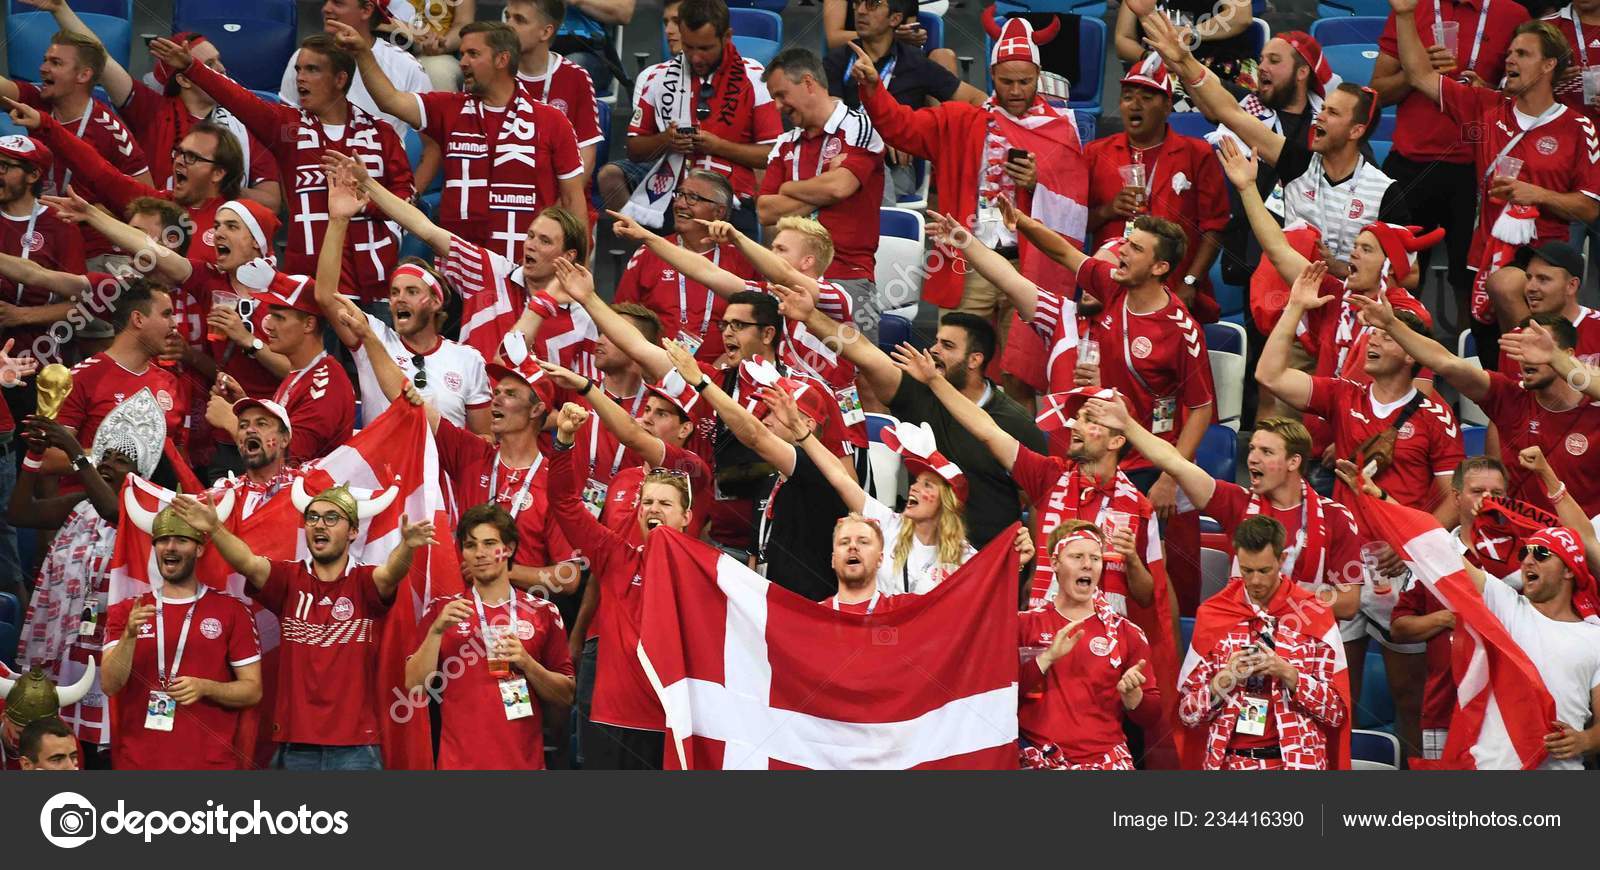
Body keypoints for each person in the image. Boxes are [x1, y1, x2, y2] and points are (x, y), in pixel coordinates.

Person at [927, 209, 1214, 511]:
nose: (1124, 252)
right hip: (1094, 455)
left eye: (1136, 248)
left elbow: (1201, 410)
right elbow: (1061, 252)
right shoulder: (1109, 287)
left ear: (1159, 267)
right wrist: (1016, 225)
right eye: (1127, 243)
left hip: (1147, 462)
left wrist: (1171, 476)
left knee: (1133, 549)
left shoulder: (1182, 330)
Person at [846, 19, 1086, 366]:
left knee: (1021, 374)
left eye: (1025, 81)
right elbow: (901, 126)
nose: (1016, 90)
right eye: (1007, 82)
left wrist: (1039, 182)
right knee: (953, 366)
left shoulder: (1059, 131)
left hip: (1029, 266)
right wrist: (873, 90)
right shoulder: (960, 120)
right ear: (991, 78)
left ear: (1038, 76)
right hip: (969, 263)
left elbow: (1077, 204)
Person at [169, 480, 436, 770]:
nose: (319, 525)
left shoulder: (364, 582)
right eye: (312, 517)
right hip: (294, 748)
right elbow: (246, 561)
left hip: (356, 750)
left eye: (331, 518)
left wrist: (407, 547)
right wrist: (214, 528)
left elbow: (390, 573)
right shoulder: (289, 579)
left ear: (353, 532)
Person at [773, 281, 1047, 550]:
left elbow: (1039, 496)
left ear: (975, 360)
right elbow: (865, 353)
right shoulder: (918, 389)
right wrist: (810, 316)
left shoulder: (1014, 421)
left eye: (948, 346)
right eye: (937, 341)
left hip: (989, 560)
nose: (935, 350)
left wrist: (1035, 568)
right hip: (919, 555)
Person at [1394, 7, 1600, 363]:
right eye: (1508, 54)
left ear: (1549, 65)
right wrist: (1405, 15)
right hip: (1484, 258)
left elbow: (1589, 208)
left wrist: (1536, 194)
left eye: (1522, 54)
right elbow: (1419, 76)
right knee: (1495, 365)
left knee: (1512, 298)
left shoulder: (1579, 128)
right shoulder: (1487, 108)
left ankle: (1543, 365)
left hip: (1544, 265)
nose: (1510, 61)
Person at [150, 34, 414, 309]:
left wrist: (366, 196)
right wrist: (192, 67)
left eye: (312, 69)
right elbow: (239, 99)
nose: (300, 78)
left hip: (375, 291)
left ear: (340, 79)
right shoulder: (288, 129)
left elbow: (407, 201)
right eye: (299, 69)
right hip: (306, 289)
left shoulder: (381, 134)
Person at [1142, 13, 1405, 278]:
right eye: (1323, 109)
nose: (1321, 116)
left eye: (1333, 113)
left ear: (1356, 131)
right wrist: (1185, 60)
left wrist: (1341, 271)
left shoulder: (1384, 191)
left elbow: (1408, 274)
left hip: (1351, 307)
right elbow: (1230, 112)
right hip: (1284, 289)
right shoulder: (1298, 164)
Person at [1085, 398, 1363, 638]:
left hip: (1306, 641)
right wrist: (1128, 425)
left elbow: (1349, 602)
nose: (1252, 459)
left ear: (1294, 462)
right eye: (1252, 449)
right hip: (1241, 638)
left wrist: (1283, 599)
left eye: (1266, 452)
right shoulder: (1236, 502)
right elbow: (1175, 464)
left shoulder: (1334, 517)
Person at [337, 19, 588, 264]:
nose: (463, 63)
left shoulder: (552, 121)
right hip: (458, 271)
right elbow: (390, 101)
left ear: (502, 60)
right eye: (463, 54)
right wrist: (362, 53)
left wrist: (580, 273)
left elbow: (573, 202)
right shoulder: (449, 108)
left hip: (524, 269)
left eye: (473, 54)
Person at [325, 148, 592, 367]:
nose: (531, 245)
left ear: (568, 255)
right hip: (467, 414)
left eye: (544, 241)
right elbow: (425, 229)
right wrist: (368, 183)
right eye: (531, 236)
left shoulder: (583, 319)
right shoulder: (489, 270)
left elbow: (581, 400)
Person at [12, 392, 166, 768]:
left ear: (141, 473)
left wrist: (73, 452)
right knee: (66, 738)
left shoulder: (146, 509)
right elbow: (19, 513)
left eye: (122, 461)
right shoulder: (81, 503)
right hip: (66, 644)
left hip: (112, 647)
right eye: (107, 457)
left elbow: (114, 511)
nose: (110, 465)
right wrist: (34, 457)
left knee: (106, 750)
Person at [1349, 292, 1600, 516]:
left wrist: (1556, 359)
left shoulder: (1594, 408)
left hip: (1586, 548)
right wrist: (1391, 325)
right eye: (1523, 348)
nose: (1528, 358)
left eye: (1539, 347)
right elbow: (1446, 362)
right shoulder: (1509, 396)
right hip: (1520, 549)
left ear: (1567, 355)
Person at [1375, 0, 1531, 353]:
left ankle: (1469, 379)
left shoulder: (1512, 14)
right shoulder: (1412, 8)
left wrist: (1486, 90)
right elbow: (1378, 92)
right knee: (1400, 277)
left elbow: (1523, 93)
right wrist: (1418, 71)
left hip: (1475, 170)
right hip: (1410, 164)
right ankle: (1398, 366)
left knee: (1472, 284)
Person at [1258, 260, 1465, 521]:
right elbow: (1270, 376)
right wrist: (1295, 307)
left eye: (1386, 337)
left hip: (1404, 550)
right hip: (1348, 545)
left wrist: (1417, 538)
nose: (1373, 340)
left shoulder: (1438, 417)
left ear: (1411, 355)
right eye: (1372, 333)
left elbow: (1455, 498)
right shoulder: (1344, 394)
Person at [22, 4, 281, 208]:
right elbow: (101, 58)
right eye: (209, 65)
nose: (222, 70)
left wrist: (217, 187)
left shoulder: (244, 125)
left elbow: (271, 201)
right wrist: (61, 10)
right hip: (161, 234)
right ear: (183, 78)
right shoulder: (152, 110)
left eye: (219, 61)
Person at [548, 401, 690, 770]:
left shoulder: (708, 572)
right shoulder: (615, 555)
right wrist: (564, 442)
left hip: (672, 723)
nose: (653, 509)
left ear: (687, 517)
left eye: (664, 503)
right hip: (612, 720)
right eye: (647, 503)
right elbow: (564, 503)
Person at [659, 336, 850, 599]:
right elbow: (755, 552)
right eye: (766, 410)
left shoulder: (816, 467)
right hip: (770, 605)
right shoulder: (770, 476)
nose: (765, 418)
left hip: (807, 611)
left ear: (807, 424)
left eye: (775, 411)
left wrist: (702, 382)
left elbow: (754, 435)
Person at [313, 174, 492, 433]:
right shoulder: (373, 337)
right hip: (383, 471)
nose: (399, 299)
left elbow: (481, 442)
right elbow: (326, 297)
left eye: (411, 291)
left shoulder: (467, 359)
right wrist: (339, 220)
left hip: (441, 472)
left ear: (435, 303)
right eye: (394, 292)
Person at [409, 504, 575, 770]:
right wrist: (436, 631)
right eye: (471, 545)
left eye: (489, 544)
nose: (480, 553)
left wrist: (527, 663)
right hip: (458, 766)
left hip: (524, 765)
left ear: (508, 549)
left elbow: (566, 694)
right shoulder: (442, 610)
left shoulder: (543, 611)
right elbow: (413, 685)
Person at [1179, 516, 1349, 769]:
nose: (1255, 581)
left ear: (1282, 560)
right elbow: (1187, 715)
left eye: (1264, 570)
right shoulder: (1214, 614)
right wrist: (1224, 680)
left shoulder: (1313, 613)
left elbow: (1336, 714)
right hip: (1231, 764)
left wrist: (1289, 674)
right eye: (1247, 570)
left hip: (1298, 764)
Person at [101, 503, 263, 770]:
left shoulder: (233, 611)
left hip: (209, 767)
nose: (170, 547)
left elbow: (252, 691)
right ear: (154, 548)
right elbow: (110, 684)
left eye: (181, 540)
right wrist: (129, 636)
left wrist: (206, 687)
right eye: (163, 539)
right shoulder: (128, 611)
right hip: (139, 764)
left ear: (200, 548)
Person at [604, 0, 779, 239]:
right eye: (689, 47)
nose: (696, 58)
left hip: (731, 200)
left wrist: (719, 147)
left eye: (705, 48)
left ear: (727, 36)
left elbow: (771, 154)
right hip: (669, 196)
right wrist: (666, 140)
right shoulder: (658, 78)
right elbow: (634, 148)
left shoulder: (755, 77)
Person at [1083, 50, 1228, 321]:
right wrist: (1108, 210)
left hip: (1173, 290)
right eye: (1127, 98)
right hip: (1109, 289)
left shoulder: (1197, 154)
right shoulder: (1095, 153)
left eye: (1146, 98)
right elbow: (1076, 225)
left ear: (1167, 106)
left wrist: (1189, 282)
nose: (1134, 105)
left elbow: (1215, 228)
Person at [19, 101, 243, 276]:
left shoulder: (240, 224)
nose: (180, 161)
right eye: (180, 153)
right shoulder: (157, 204)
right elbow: (100, 171)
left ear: (218, 173)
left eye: (192, 157)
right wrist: (44, 124)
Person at [757, 48, 885, 341]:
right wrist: (825, 185)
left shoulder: (859, 127)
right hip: (788, 277)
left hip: (846, 276)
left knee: (857, 377)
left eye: (781, 94)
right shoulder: (785, 143)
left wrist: (788, 189)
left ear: (808, 83)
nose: (777, 106)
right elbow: (765, 210)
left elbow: (840, 186)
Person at [0, 28, 152, 273]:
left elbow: (148, 206)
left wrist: (91, 212)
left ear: (83, 75)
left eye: (55, 62)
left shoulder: (110, 131)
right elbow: (4, 89)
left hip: (95, 252)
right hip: (38, 239)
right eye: (45, 60)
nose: (43, 68)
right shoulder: (39, 101)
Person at [785, 405, 979, 596]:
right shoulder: (888, 524)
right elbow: (840, 478)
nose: (914, 488)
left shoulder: (967, 558)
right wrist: (801, 432)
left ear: (947, 501)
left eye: (927, 485)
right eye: (916, 482)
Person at [1019, 521, 1161, 770]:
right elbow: (1000, 694)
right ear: (1054, 563)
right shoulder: (1024, 624)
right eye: (1077, 556)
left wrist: (1134, 697)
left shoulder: (1127, 633)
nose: (1087, 564)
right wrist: (1046, 658)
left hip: (1107, 762)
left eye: (1095, 558)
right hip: (1037, 759)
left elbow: (1152, 716)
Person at [823, 0, 984, 204]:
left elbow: (977, 100)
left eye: (872, 5)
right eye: (858, 3)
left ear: (895, 19)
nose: (861, 11)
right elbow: (832, 120)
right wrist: (880, 136)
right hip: (845, 158)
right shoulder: (836, 61)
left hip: (895, 167)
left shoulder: (916, 63)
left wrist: (935, 139)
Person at [24, 281, 185, 476]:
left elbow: (177, 457)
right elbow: (48, 459)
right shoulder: (80, 378)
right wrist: (120, 458)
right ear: (138, 319)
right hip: (89, 503)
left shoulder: (168, 382)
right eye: (166, 314)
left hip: (151, 503)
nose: (174, 324)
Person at [205, 270, 357, 463]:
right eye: (270, 316)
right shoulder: (301, 373)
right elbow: (282, 435)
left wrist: (232, 422)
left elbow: (287, 460)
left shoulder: (325, 384)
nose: (268, 326)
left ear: (309, 324)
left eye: (279, 317)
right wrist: (244, 408)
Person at [612, 169, 756, 367]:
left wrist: (721, 369)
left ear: (719, 212)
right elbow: (621, 318)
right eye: (679, 195)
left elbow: (756, 327)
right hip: (657, 372)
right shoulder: (649, 252)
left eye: (693, 198)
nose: (680, 204)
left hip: (724, 375)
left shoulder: (743, 259)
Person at [278, 0, 434, 137]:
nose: (326, 8)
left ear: (366, 10)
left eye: (338, 2)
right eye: (326, 1)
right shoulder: (301, 58)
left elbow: (431, 146)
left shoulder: (407, 67)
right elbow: (285, 125)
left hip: (381, 167)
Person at [0, 133, 83, 366]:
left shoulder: (60, 226)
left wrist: (21, 316)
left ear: (33, 174)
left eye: (5, 166)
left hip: (37, 358)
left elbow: (82, 307)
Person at [507, 0, 605, 187]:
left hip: (562, 199)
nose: (508, 26)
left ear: (546, 32)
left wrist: (556, 211)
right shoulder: (496, 73)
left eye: (519, 20)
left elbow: (586, 158)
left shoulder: (576, 77)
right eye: (508, 17)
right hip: (508, 195)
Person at [1485, 241, 1600, 376]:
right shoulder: (1516, 340)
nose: (1530, 288)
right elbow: (1512, 395)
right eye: (1529, 278)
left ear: (1571, 286)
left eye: (1543, 279)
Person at [1116, 0, 1260, 102]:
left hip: (1222, 64)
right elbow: (1123, 39)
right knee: (1141, 101)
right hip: (1164, 68)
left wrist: (1192, 34)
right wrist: (1151, 58)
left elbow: (1241, 17)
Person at [386, 0, 478, 92]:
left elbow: (463, 23)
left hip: (433, 53)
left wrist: (443, 45)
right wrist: (400, 27)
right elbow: (373, 17)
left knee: (438, 71)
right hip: (385, 41)